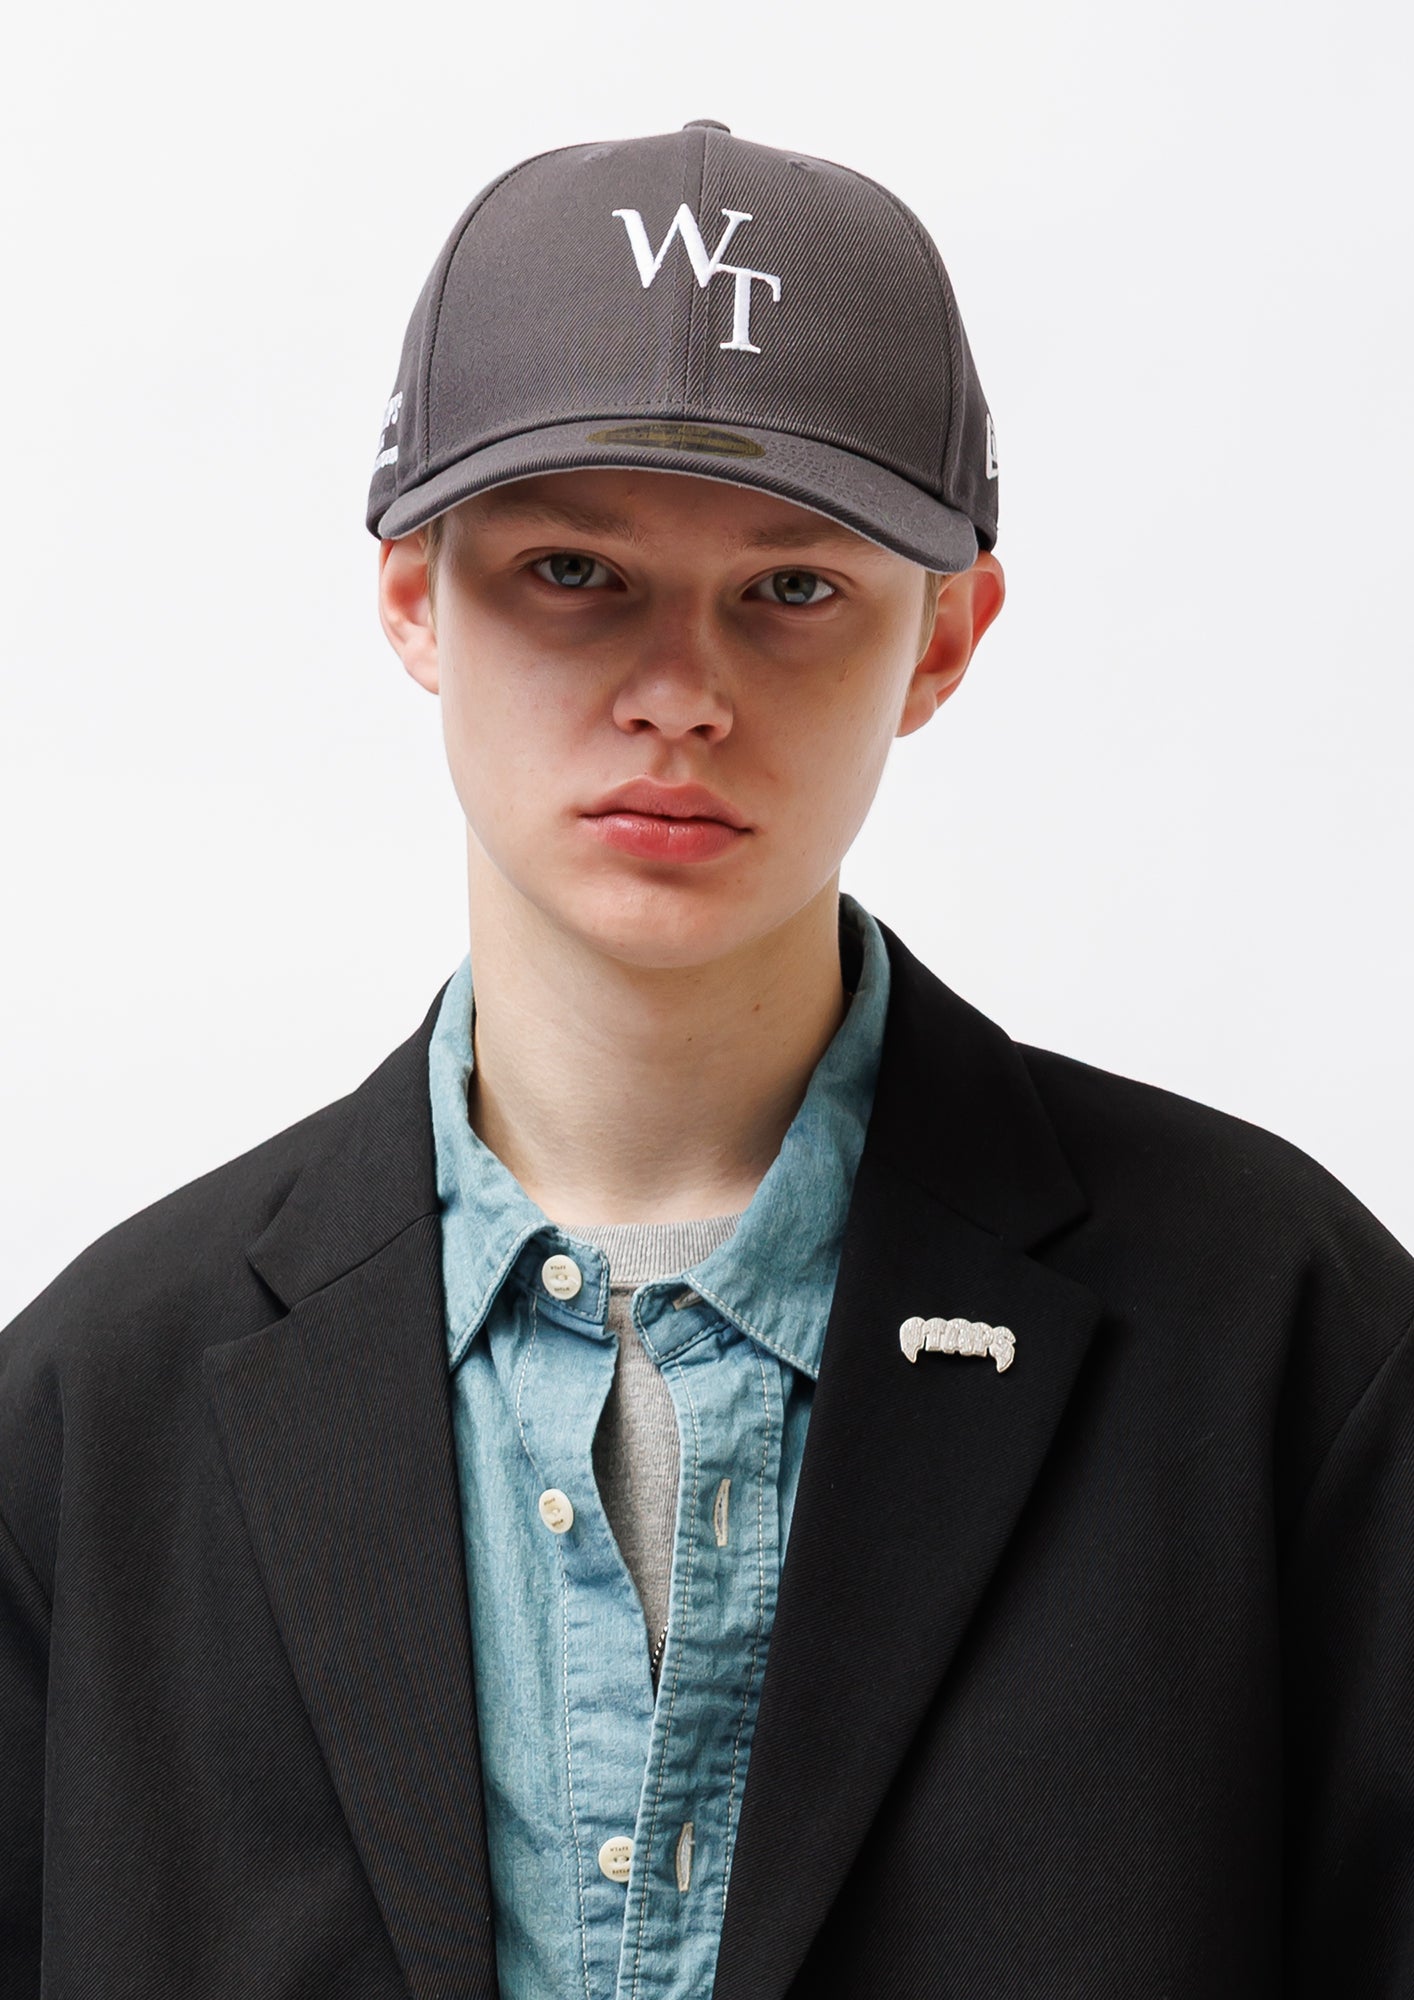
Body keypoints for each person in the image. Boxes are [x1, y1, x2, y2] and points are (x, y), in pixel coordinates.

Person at [1, 118, 1410, 2000]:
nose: (679, 689)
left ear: (945, 637)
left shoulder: (1281, 1339)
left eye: (792, 587)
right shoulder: (94, 1417)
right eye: (572, 568)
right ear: (413, 593)